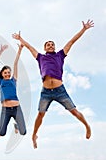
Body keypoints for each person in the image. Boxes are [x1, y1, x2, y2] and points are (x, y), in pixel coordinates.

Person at [12, 19, 93, 149]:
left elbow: (72, 41)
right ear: (45, 48)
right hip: (46, 92)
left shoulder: (60, 55)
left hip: (60, 90)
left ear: (54, 47)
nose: (50, 46)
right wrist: (21, 39)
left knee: (74, 111)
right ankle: (34, 135)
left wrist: (83, 29)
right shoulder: (40, 57)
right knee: (40, 114)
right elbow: (29, 47)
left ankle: (87, 126)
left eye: (52, 44)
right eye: (48, 45)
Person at [0, 43, 27, 139]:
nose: (7, 74)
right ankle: (2, 131)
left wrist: (20, 50)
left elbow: (15, 63)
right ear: (2, 74)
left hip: (16, 108)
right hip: (5, 110)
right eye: (5, 73)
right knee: (2, 133)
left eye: (9, 72)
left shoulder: (13, 80)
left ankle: (17, 125)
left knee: (23, 132)